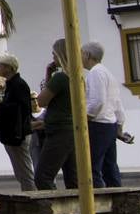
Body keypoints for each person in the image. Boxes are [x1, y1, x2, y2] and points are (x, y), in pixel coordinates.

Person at [34, 40, 78, 190]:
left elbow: (41, 101)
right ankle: (79, 212)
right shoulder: (78, 77)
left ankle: (57, 213)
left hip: (59, 131)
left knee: (43, 176)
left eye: (54, 54)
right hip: (72, 129)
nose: (52, 57)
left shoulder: (60, 78)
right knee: (73, 178)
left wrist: (49, 76)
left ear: (60, 55)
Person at [82, 41, 124, 187]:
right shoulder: (107, 73)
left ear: (87, 55)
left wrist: (86, 117)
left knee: (92, 168)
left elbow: (97, 100)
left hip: (98, 125)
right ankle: (118, 200)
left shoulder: (95, 73)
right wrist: (119, 124)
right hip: (110, 125)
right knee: (110, 167)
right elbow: (117, 103)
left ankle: (99, 202)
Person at [0, 54, 35, 191]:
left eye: (0, 66)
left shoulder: (19, 85)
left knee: (25, 171)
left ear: (8, 68)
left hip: (18, 134)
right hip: (13, 134)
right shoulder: (11, 85)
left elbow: (23, 110)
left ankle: (33, 201)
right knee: (20, 171)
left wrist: (1, 106)